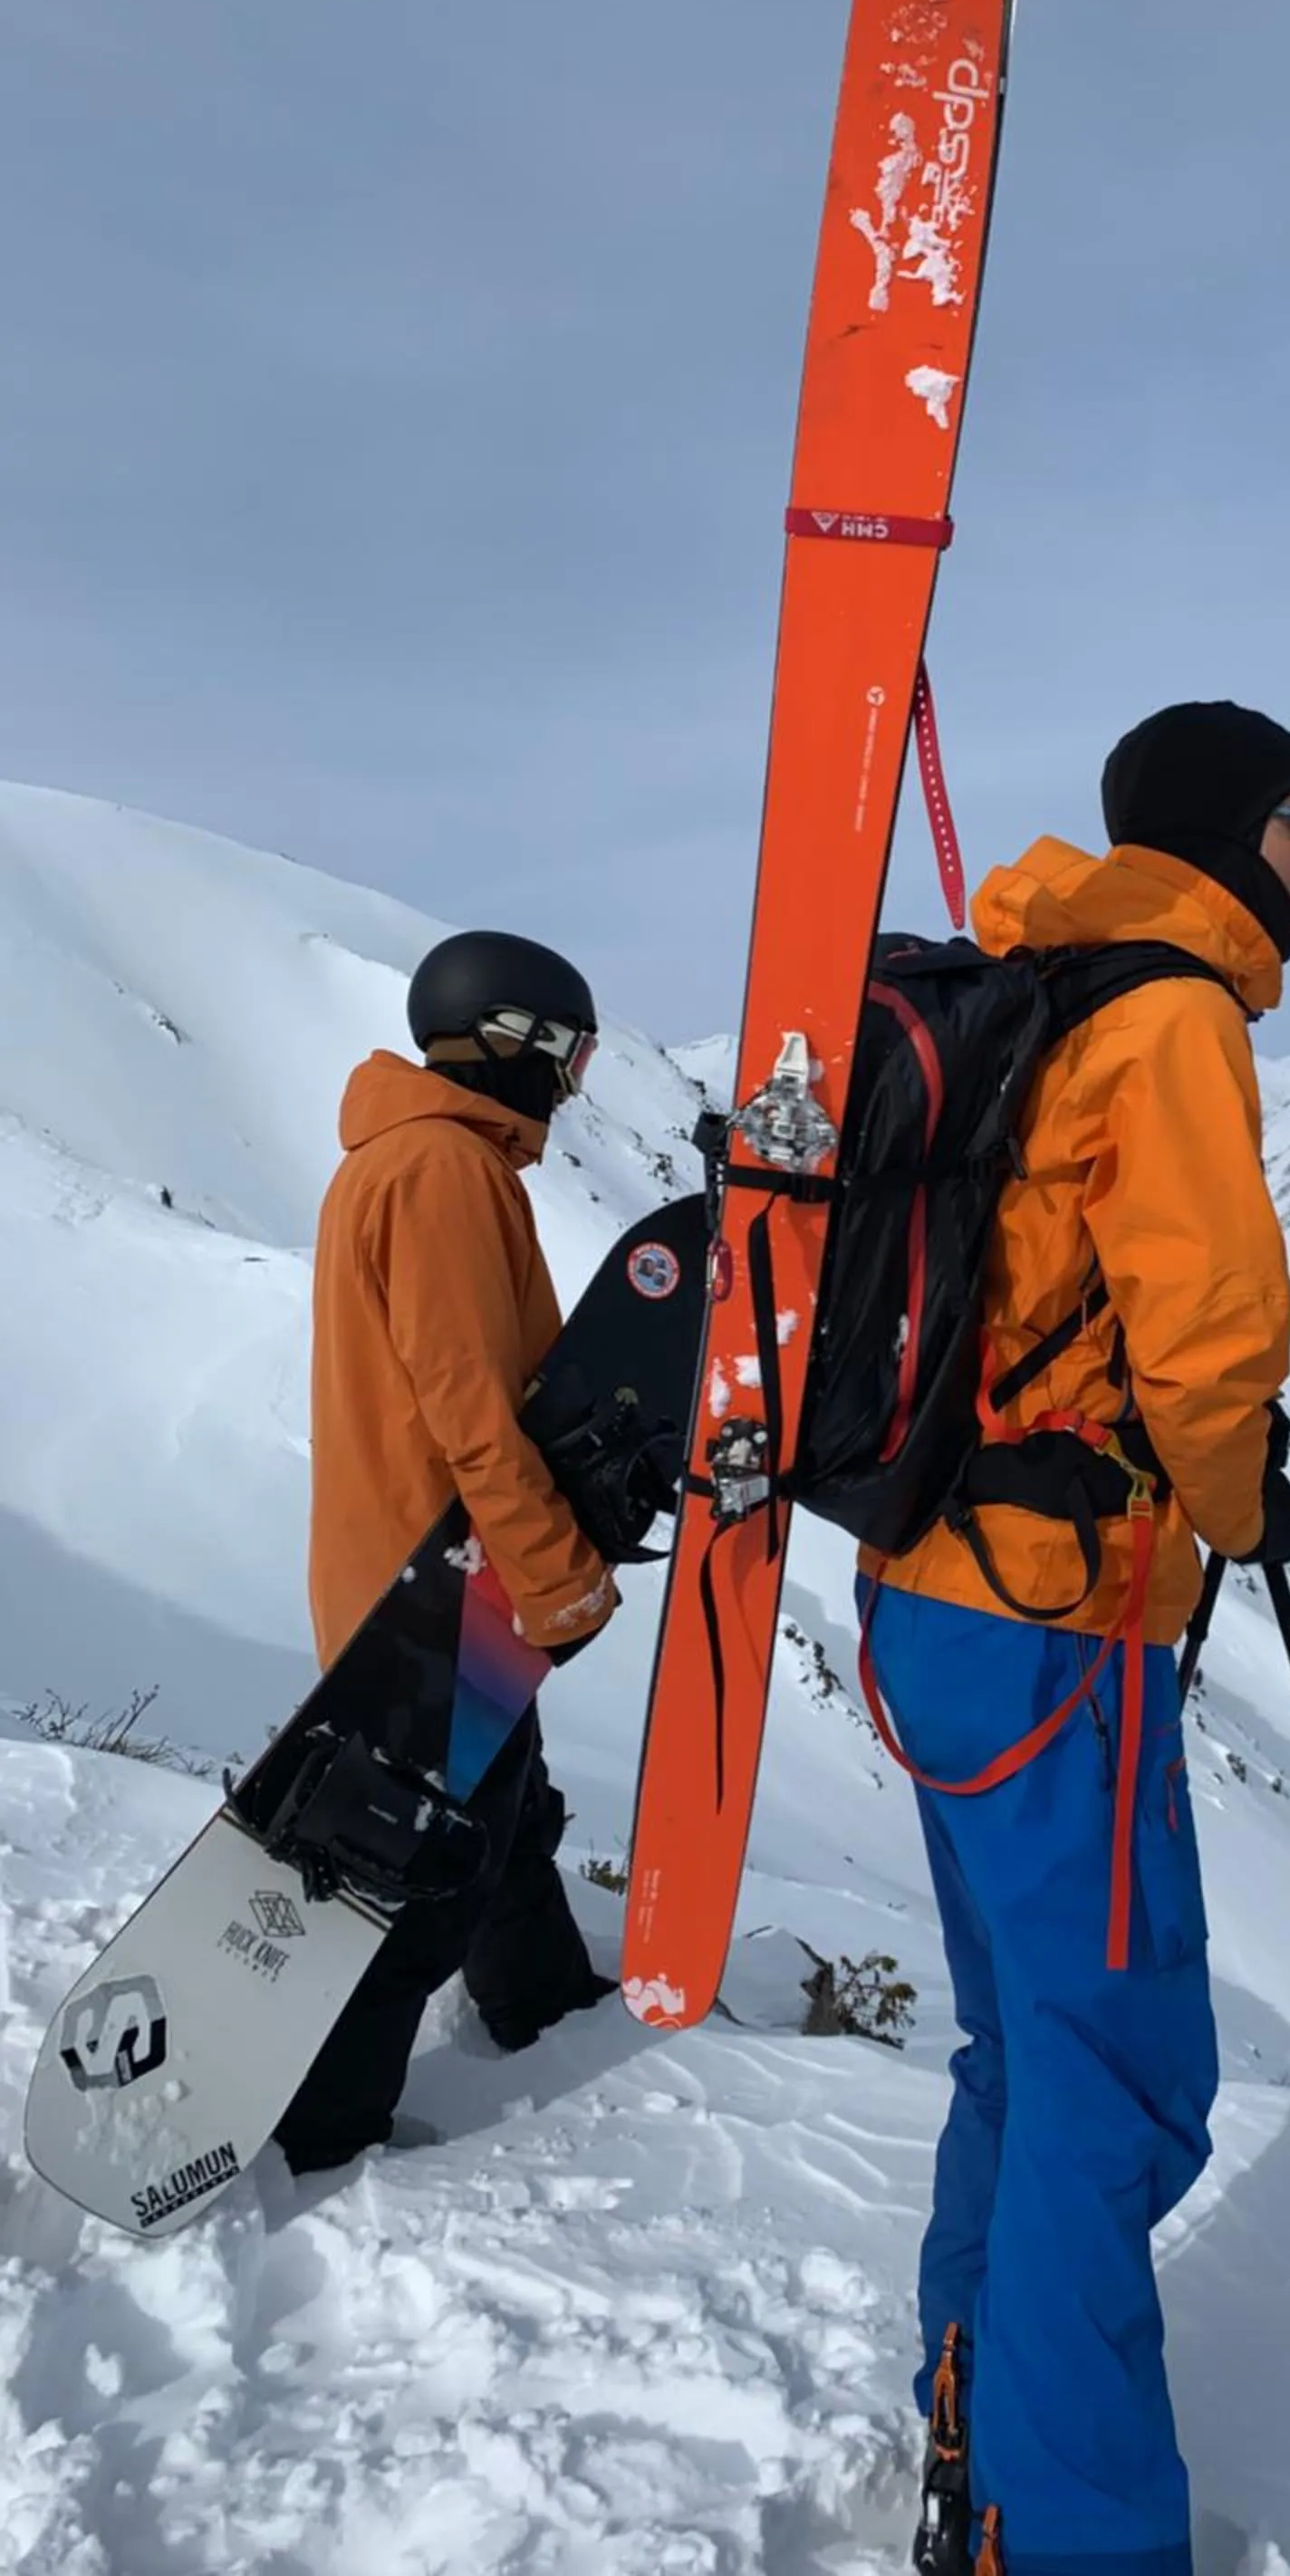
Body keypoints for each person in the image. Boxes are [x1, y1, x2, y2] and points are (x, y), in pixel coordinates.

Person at [858, 702, 1290, 2576]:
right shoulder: (1170, 1016)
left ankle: (973, 2427)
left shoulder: (1036, 985)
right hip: (1063, 1622)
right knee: (1114, 2082)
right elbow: (1206, 1337)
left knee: (1022, 2053)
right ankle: (1068, 2539)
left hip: (933, 1593)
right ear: (1228, 831)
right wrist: (1243, 1505)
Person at [274, 929, 622, 2176]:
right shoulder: (440, 1173)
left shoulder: (422, 1160)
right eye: (569, 1053)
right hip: (435, 1579)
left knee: (504, 1809)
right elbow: (471, 1408)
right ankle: (324, 2134)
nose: (573, 1084)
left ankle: (542, 2008)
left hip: (416, 1564)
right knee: (424, 1867)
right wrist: (556, 1579)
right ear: (515, 1038)